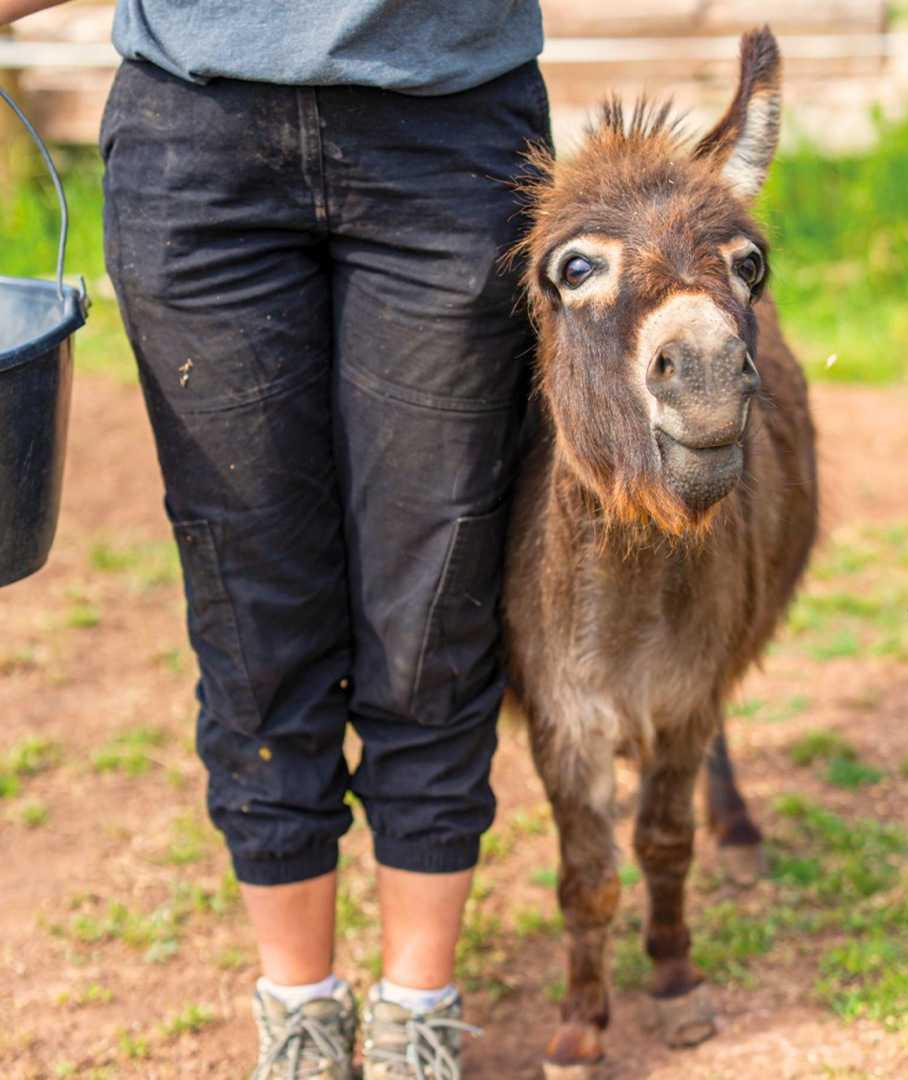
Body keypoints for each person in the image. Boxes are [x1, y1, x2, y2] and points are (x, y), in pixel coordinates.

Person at [1, 1, 549, 1076]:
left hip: (449, 136)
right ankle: (299, 1013)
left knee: (434, 596)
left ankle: (416, 1016)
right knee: (254, 607)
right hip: (199, 147)